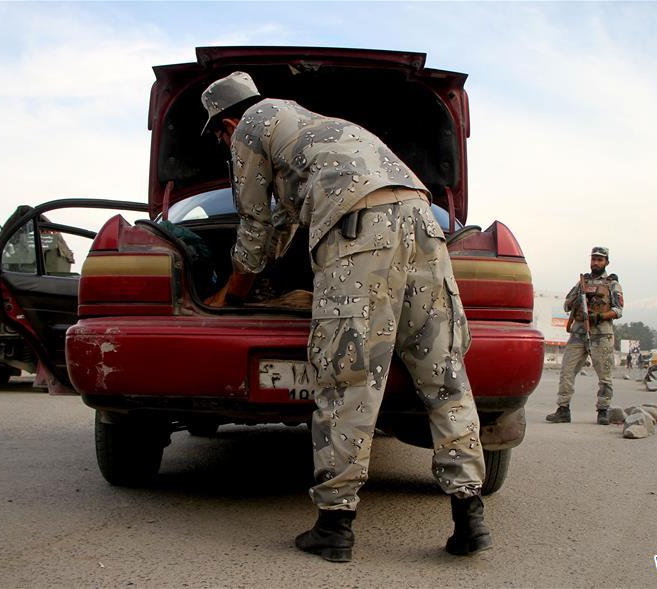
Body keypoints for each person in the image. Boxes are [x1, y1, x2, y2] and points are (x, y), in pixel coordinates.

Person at [199, 72, 492, 562]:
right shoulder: (312, 126)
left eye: (218, 137)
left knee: (349, 377)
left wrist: (234, 293)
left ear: (226, 122)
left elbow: (253, 221)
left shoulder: (250, 124)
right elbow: (285, 220)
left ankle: (334, 526)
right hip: (422, 223)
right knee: (444, 377)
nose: (225, 144)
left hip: (360, 234)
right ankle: (470, 518)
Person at [546, 246, 624, 425]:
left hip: (601, 334)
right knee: (567, 371)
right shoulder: (581, 282)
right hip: (578, 333)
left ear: (606, 262)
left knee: (604, 374)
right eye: (593, 259)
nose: (596, 262)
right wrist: (577, 297)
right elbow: (566, 305)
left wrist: (600, 316)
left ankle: (603, 410)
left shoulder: (612, 284)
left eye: (600, 260)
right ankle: (563, 409)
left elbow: (618, 310)